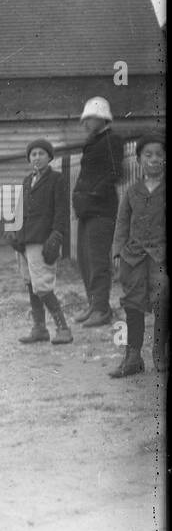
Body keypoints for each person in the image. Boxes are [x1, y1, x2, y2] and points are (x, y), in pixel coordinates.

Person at [109, 133, 166, 377]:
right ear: (139, 159)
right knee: (132, 304)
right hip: (133, 257)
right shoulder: (132, 191)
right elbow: (121, 224)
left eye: (159, 155)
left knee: (162, 300)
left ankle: (160, 352)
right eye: (148, 155)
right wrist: (117, 254)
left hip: (161, 258)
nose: (154, 160)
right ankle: (132, 357)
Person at [7, 139, 72, 346]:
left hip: (42, 239)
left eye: (41, 154)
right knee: (30, 282)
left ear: (50, 157)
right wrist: (12, 230)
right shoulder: (27, 181)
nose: (36, 157)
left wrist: (57, 235)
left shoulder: (57, 179)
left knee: (42, 284)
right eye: (33, 154)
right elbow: (20, 209)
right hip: (24, 239)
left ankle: (63, 328)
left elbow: (62, 210)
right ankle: (39, 328)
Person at [72, 96, 127, 328]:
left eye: (89, 119)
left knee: (97, 262)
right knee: (85, 260)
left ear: (102, 118)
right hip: (86, 210)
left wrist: (92, 195)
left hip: (101, 210)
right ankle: (93, 304)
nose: (85, 124)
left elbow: (115, 174)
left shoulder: (112, 140)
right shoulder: (93, 141)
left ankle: (102, 309)